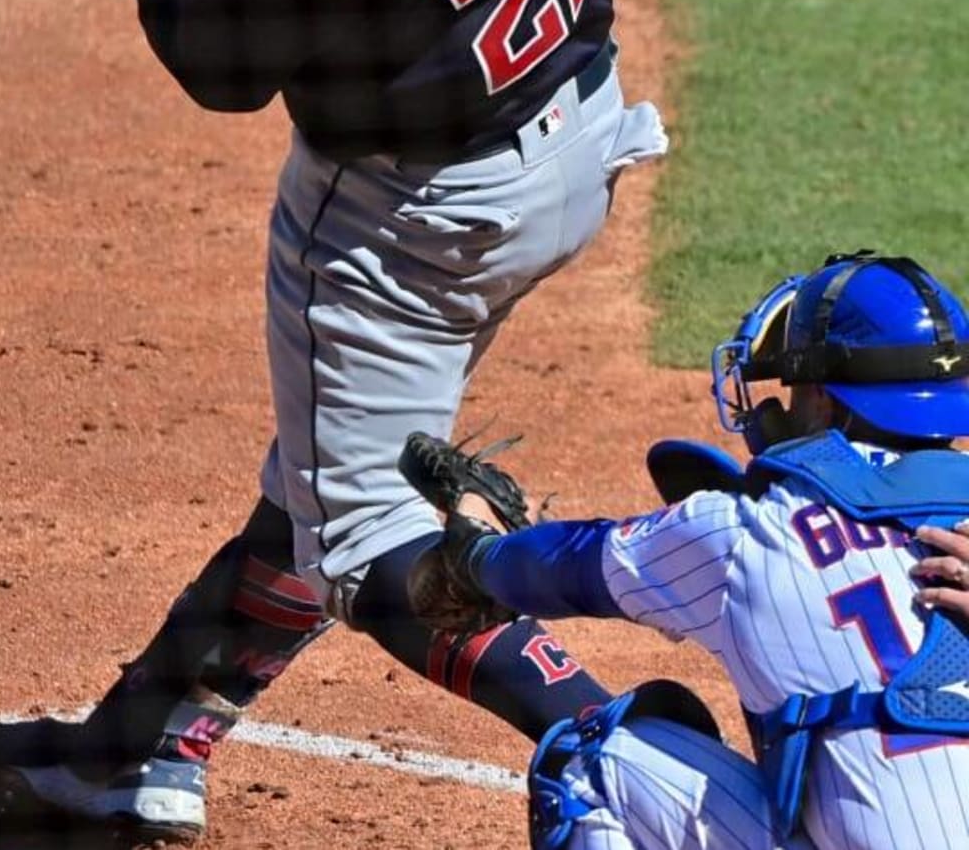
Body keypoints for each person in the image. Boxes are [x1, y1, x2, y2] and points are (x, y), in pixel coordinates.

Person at [0, 0, 667, 841]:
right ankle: (138, 748)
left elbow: (221, 68)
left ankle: (635, 753)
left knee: (364, 542)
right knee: (324, 477)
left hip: (409, 235)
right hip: (576, 147)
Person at [411, 252, 969, 849]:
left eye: (796, 387)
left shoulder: (749, 532)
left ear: (826, 405)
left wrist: (476, 557)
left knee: (593, 764)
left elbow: (564, 567)